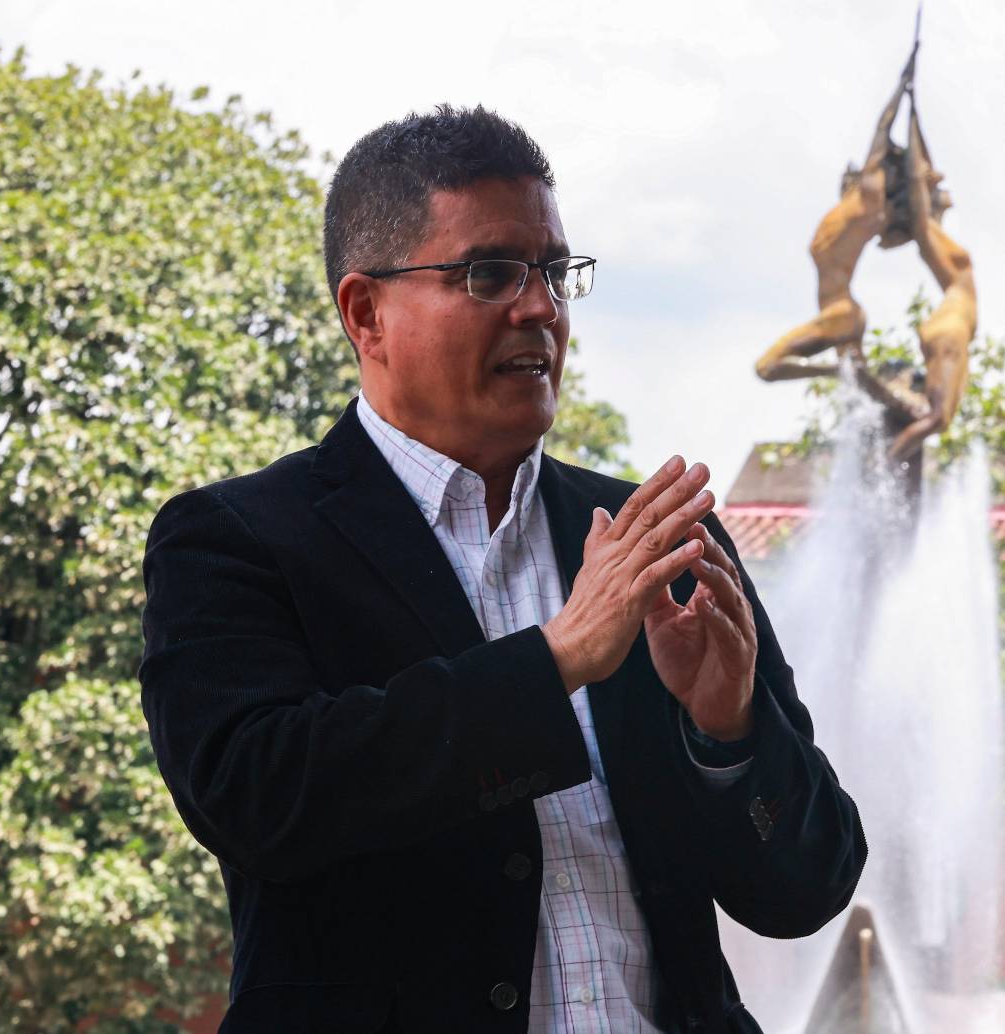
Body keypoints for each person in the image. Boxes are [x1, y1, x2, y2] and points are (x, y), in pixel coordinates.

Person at [140, 105, 866, 1034]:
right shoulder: (236, 538)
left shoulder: (657, 540)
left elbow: (808, 889)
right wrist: (557, 659)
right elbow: (257, 799)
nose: (541, 309)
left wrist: (725, 734)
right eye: (490, 273)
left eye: (554, 272)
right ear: (366, 314)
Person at [754, 48, 916, 383]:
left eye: (851, 174)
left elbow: (881, 130)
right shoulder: (841, 216)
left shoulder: (867, 202)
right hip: (843, 313)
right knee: (865, 394)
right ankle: (896, 386)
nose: (845, 176)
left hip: (840, 313)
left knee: (766, 367)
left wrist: (902, 86)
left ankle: (842, 371)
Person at [885, 90, 976, 461]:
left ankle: (890, 462)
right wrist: (910, 121)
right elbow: (919, 183)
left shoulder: (939, 239)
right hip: (950, 330)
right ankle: (885, 469)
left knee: (938, 417)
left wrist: (915, 120)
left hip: (949, 329)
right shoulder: (930, 236)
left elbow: (925, 170)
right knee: (938, 418)